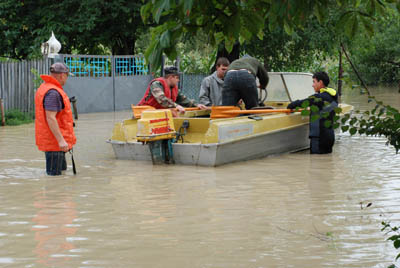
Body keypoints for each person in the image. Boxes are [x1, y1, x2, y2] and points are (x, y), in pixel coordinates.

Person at [35, 62, 76, 175]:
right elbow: (50, 118)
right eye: (67, 76)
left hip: (55, 142)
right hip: (54, 143)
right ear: (62, 75)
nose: (66, 80)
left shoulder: (45, 87)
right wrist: (61, 140)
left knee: (60, 176)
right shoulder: (53, 92)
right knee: (54, 179)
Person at [287, 71, 338, 154]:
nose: (312, 85)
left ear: (320, 82)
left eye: (314, 82)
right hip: (330, 136)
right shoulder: (333, 97)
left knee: (315, 162)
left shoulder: (319, 97)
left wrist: (290, 106)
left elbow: (302, 103)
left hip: (318, 138)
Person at [138, 66, 207, 113]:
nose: (178, 80)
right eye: (177, 78)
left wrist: (197, 105)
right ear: (171, 77)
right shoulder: (157, 84)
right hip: (143, 114)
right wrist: (176, 106)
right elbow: (162, 99)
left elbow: (184, 100)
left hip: (157, 115)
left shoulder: (174, 89)